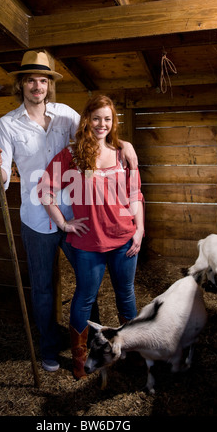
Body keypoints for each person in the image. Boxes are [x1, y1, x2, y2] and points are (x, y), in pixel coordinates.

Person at [0, 51, 138, 373]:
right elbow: (2, 182)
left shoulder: (67, 115)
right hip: (37, 219)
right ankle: (49, 349)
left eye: (43, 80)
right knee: (42, 288)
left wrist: (123, 145)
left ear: (49, 85)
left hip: (75, 216)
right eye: (31, 80)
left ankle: (92, 345)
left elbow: (92, 142)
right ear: (22, 84)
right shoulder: (8, 125)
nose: (37, 86)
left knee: (87, 284)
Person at [38, 94, 144, 379]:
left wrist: (140, 230)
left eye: (107, 119)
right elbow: (44, 190)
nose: (102, 124)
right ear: (86, 120)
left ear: (113, 122)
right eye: (96, 118)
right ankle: (80, 360)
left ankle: (129, 354)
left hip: (123, 238)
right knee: (84, 297)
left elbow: (135, 195)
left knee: (126, 295)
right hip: (88, 244)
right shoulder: (71, 155)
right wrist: (63, 223)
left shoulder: (122, 153)